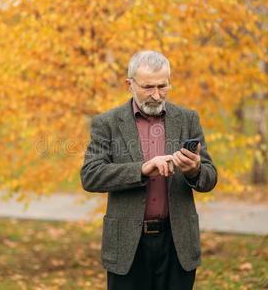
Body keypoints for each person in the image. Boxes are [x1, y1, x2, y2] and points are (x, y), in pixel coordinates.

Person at [80, 50, 218, 290]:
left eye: (162, 86)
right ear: (129, 84)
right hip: (127, 245)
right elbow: (91, 175)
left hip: (178, 244)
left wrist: (194, 171)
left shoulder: (188, 119)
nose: (156, 95)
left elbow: (210, 177)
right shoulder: (107, 123)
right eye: (148, 87)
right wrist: (141, 170)